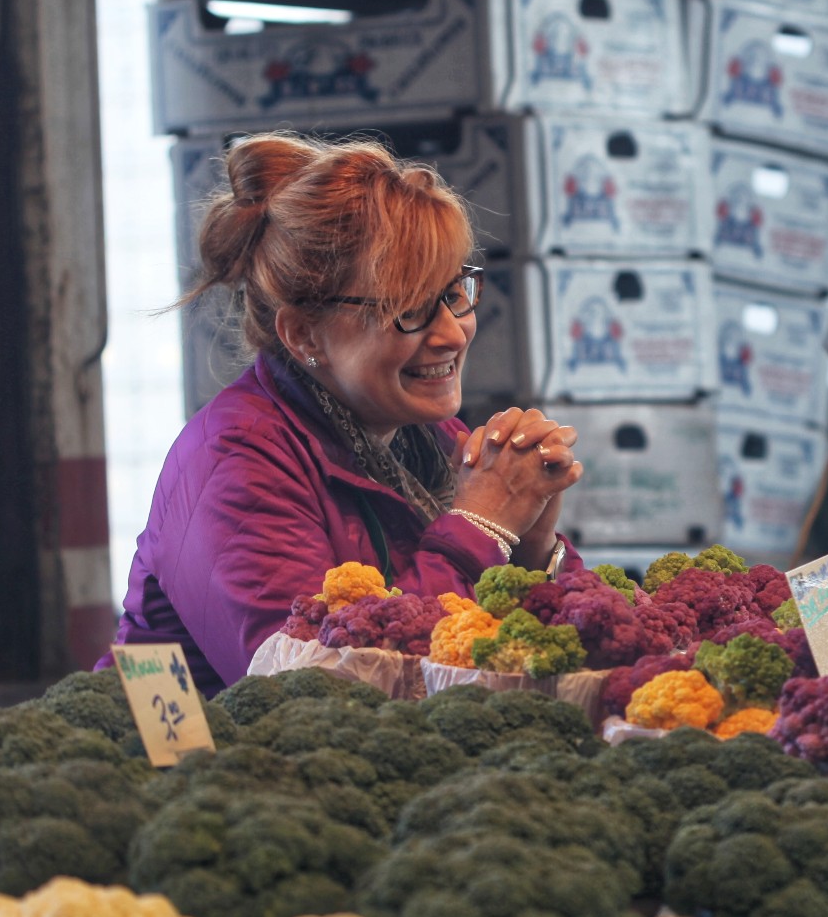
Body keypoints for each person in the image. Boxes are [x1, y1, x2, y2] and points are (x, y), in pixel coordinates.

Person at [108, 134, 583, 696]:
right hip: (188, 766)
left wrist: (532, 548)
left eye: (455, 292)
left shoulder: (428, 438)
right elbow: (308, 692)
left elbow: (560, 645)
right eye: (407, 308)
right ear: (305, 333)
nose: (453, 333)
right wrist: (481, 527)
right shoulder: (234, 460)